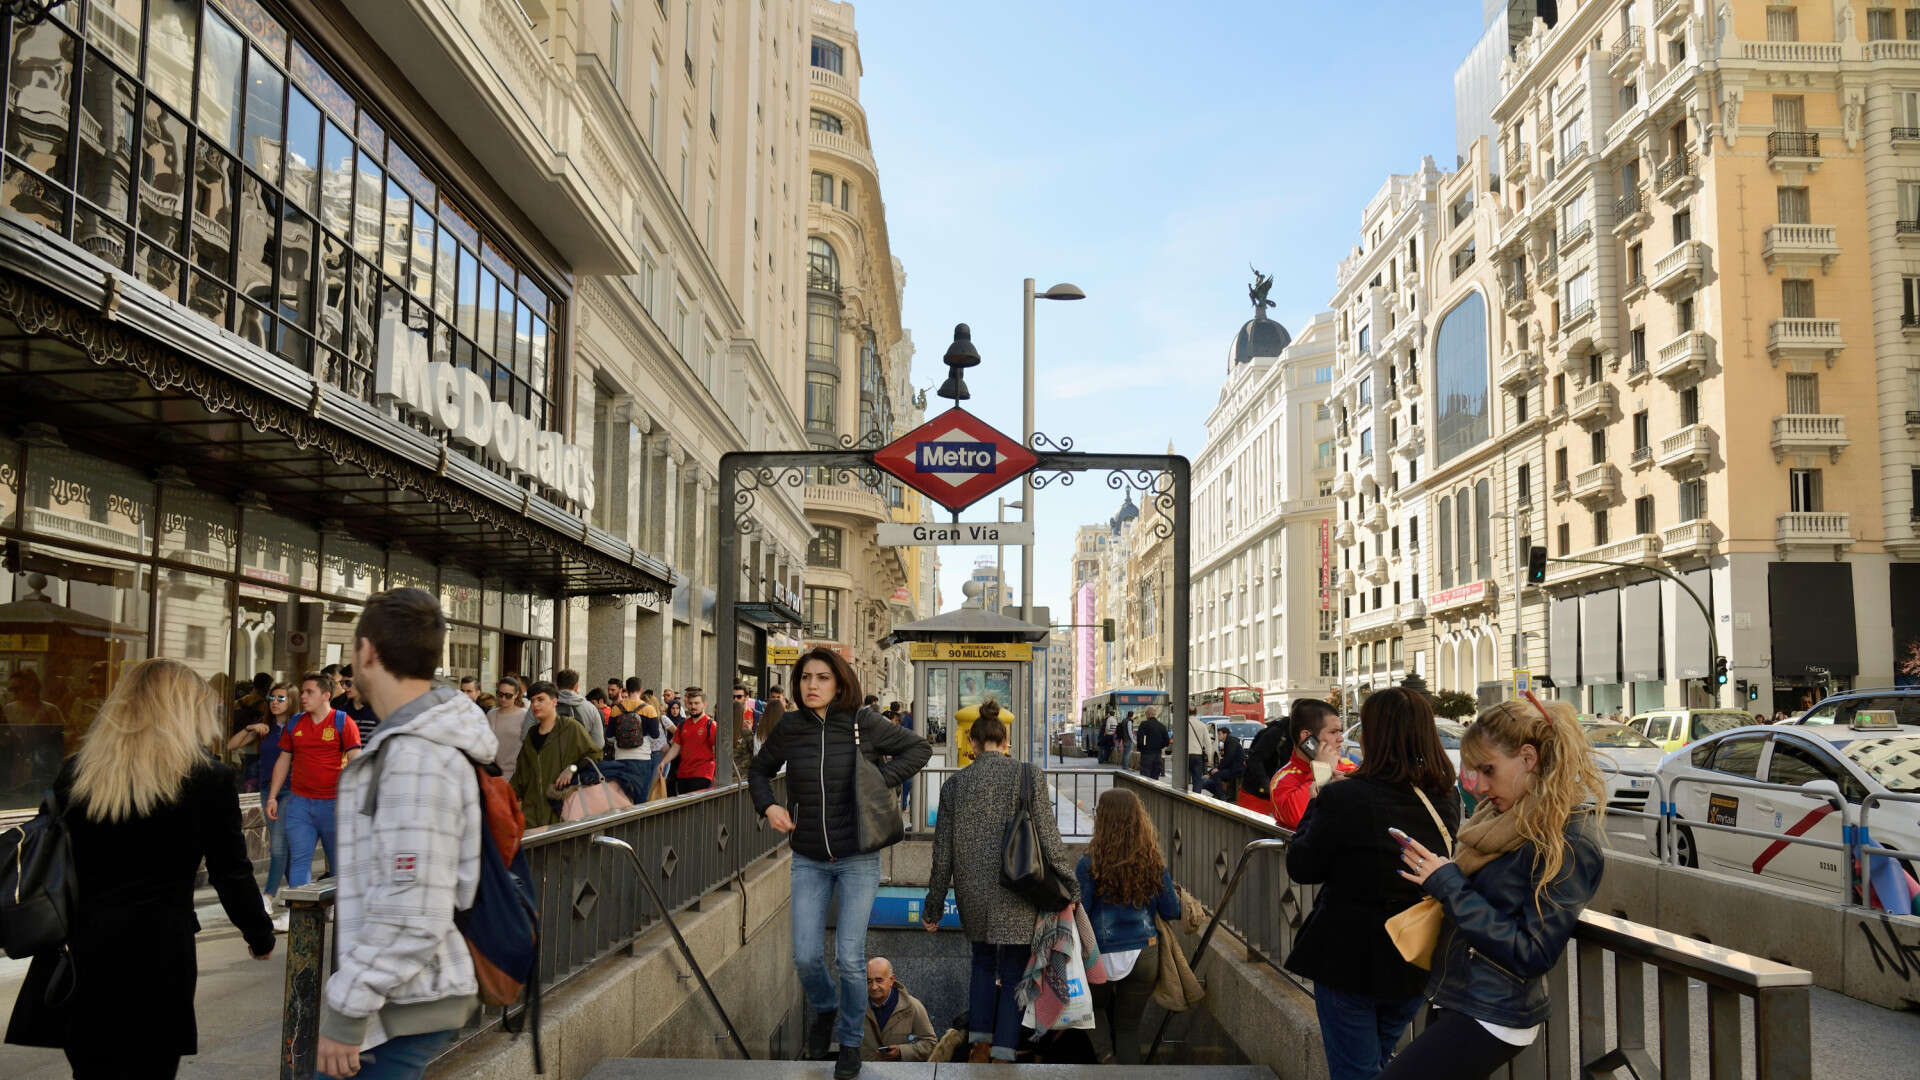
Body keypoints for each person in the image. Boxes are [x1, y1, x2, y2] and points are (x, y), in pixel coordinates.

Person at [5, 658, 276, 1077]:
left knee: (91, 1069)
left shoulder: (80, 772)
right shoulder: (208, 780)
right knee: (150, 1067)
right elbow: (231, 871)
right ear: (186, 712)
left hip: (81, 950)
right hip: (158, 954)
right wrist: (258, 934)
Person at [315, 587, 499, 1080]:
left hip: (402, 1000)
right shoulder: (418, 745)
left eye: (352, 652)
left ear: (368, 652)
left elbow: (414, 911)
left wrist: (347, 1009)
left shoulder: (415, 756)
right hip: (404, 993)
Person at [1379, 695, 1608, 1080]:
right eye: (1475, 772)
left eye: (1489, 770)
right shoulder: (1502, 818)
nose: (1480, 787)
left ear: (1528, 758)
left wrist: (1450, 884)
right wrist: (1442, 879)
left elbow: (1534, 951)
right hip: (1458, 996)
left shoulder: (1567, 839)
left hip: (1492, 1012)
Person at [750, 648, 930, 1078]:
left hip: (857, 859)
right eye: (806, 678)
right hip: (809, 858)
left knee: (851, 959)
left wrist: (875, 781)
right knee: (807, 957)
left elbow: (918, 749)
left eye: (822, 678)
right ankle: (827, 1007)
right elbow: (758, 771)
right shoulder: (790, 727)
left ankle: (850, 1040)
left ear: (840, 682)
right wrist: (768, 808)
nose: (812, 685)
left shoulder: (861, 723)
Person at [1285, 687, 1463, 1080]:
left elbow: (1302, 866)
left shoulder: (1346, 796)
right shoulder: (1443, 797)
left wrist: (1320, 794)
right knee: (1380, 1061)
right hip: (1412, 955)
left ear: (1372, 737)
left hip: (1348, 957)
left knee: (1356, 1070)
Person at [924, 700, 1076, 1065]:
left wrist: (933, 907)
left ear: (972, 743)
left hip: (973, 892)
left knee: (981, 962)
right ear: (1005, 742)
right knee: (1012, 972)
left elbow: (941, 853)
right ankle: (1004, 1052)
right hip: (1019, 887)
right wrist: (1069, 883)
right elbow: (1048, 835)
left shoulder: (955, 784)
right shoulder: (1028, 775)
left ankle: (978, 1044)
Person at [1075, 788, 1181, 1064]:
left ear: (1102, 819)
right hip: (1144, 953)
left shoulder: (1089, 862)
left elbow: (1081, 913)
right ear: (1138, 819)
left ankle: (1106, 1057)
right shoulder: (1152, 861)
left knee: (1092, 1009)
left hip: (1100, 953)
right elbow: (1172, 910)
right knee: (1128, 1028)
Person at [267, 671, 363, 888]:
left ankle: (337, 908)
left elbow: (356, 762)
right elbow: (283, 760)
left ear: (325, 695)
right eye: (302, 692)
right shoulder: (295, 723)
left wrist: (353, 799)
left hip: (334, 804)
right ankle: (300, 912)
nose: (303, 696)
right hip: (300, 803)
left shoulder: (342, 722)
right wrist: (272, 796)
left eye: (309, 692)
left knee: (338, 863)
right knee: (300, 860)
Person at [227, 680, 297, 930]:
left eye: (281, 698)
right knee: (284, 850)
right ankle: (301, 897)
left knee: (277, 845)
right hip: (267, 790)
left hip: (291, 792)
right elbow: (231, 745)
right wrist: (251, 728)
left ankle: (267, 898)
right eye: (272, 698)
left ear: (292, 701)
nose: (275, 703)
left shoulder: (297, 726)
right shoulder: (265, 727)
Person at [510, 680, 598, 828]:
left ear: (554, 701)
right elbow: (520, 776)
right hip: (532, 815)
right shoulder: (531, 736)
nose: (535, 705)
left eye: (540, 699)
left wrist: (572, 768)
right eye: (532, 701)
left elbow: (595, 755)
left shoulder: (570, 727)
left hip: (562, 812)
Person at [1270, 698, 1354, 830]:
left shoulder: (1348, 767)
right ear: (1307, 737)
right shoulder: (1282, 779)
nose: (1341, 738)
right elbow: (1299, 817)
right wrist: (1322, 771)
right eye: (1333, 732)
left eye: (1340, 731)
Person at [861, 957, 936, 1062]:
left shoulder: (913, 1007)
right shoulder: (857, 1009)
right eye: (869, 981)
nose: (873, 987)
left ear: (891, 980)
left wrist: (901, 1051)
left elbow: (930, 1044)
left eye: (879, 980)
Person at [658, 686, 719, 794]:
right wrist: (663, 762)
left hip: (703, 775)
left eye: (696, 703)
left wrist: (715, 777)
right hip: (683, 775)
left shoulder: (711, 725)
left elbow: (716, 753)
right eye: (690, 703)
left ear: (704, 704)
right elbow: (676, 747)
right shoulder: (682, 725)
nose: (693, 706)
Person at [1238, 712, 1292, 814]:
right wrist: (1266, 785)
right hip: (1257, 794)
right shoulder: (1276, 733)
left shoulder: (1293, 735)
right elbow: (1254, 759)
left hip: (1274, 794)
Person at [486, 675, 529, 782]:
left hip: (517, 775)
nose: (503, 699)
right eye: (500, 694)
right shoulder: (491, 715)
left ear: (516, 694)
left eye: (508, 696)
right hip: (494, 774)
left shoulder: (524, 716)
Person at [553, 668, 606, 753]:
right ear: (576, 687)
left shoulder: (547, 705)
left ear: (556, 685)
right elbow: (599, 743)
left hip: (551, 760)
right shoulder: (591, 709)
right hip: (580, 761)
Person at [334, 665, 380, 742]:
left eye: (348, 683)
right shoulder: (340, 711)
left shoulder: (379, 711)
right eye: (342, 683)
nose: (344, 687)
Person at [1197, 731, 1247, 801]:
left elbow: (1228, 759)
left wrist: (1217, 769)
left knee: (1216, 775)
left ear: (1225, 734)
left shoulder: (1230, 742)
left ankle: (1221, 796)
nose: (1218, 736)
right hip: (1233, 768)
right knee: (1211, 776)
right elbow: (1226, 760)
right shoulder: (1229, 742)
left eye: (1220, 734)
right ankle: (1220, 794)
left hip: (1236, 769)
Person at [1133, 707, 1169, 780]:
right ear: (1154, 714)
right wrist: (1159, 746)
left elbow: (1140, 739)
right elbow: (1167, 741)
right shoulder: (1161, 726)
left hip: (1146, 755)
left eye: (1146, 714)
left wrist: (1142, 748)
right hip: (1158, 755)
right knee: (1155, 778)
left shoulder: (1144, 725)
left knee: (1145, 779)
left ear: (1148, 714)